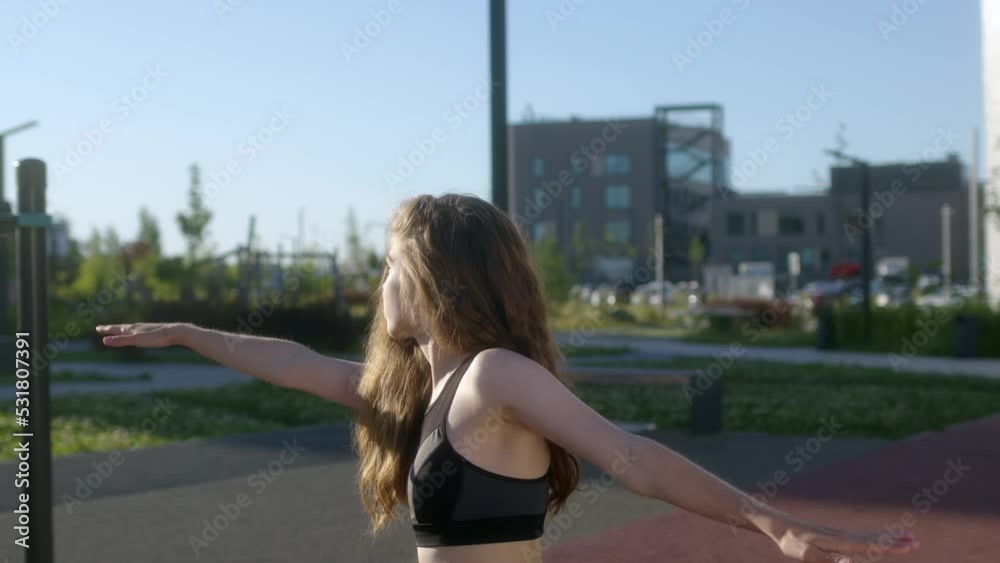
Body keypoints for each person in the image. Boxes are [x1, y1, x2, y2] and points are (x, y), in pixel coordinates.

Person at [97, 193, 920, 563]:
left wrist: (772, 522)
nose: (379, 285)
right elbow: (291, 363)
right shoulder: (420, 393)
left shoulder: (494, 378)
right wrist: (186, 333)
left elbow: (631, 456)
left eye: (389, 267)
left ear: (432, 281)